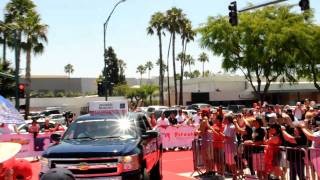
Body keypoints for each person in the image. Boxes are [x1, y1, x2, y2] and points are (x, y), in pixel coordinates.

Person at [222, 114, 237, 179]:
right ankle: (234, 175)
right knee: (229, 162)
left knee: (232, 162)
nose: (223, 119)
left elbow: (228, 137)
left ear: (228, 119)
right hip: (227, 146)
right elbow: (225, 137)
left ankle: (235, 176)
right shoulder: (226, 126)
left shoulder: (231, 126)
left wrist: (220, 133)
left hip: (231, 146)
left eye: (224, 118)